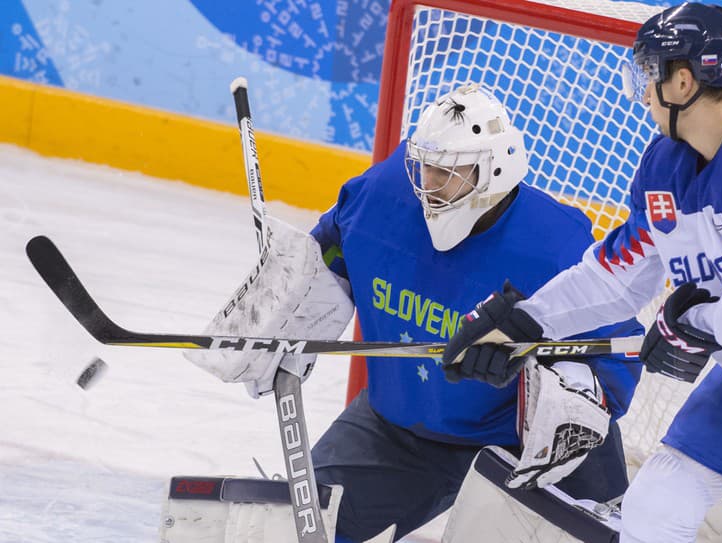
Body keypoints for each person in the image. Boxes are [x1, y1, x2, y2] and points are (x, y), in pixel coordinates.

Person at [442, 4, 722, 543]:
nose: (643, 92)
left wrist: (696, 324)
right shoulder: (665, 168)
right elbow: (617, 276)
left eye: (648, 73)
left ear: (683, 81)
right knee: (653, 508)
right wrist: (526, 322)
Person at [189, 84, 642, 542]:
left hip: (520, 450)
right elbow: (328, 255)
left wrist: (552, 389)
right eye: (425, 166)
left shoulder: (556, 246)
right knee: (288, 535)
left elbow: (619, 353)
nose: (429, 183)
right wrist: (283, 306)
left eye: (449, 172)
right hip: (395, 432)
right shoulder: (381, 198)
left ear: (495, 169)